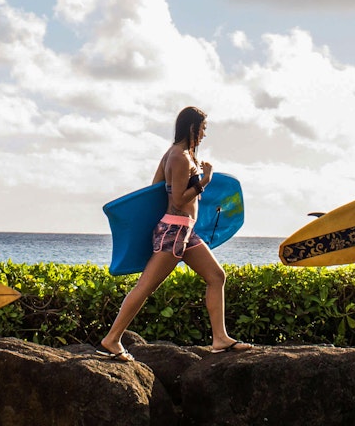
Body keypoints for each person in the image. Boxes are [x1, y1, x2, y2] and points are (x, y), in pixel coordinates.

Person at [96, 106, 254, 360]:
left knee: (216, 276)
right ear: (192, 128)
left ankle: (220, 338)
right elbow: (179, 201)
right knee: (145, 287)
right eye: (202, 129)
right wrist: (205, 181)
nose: (203, 135)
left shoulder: (177, 156)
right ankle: (112, 339)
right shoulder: (179, 157)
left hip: (186, 232)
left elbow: (154, 190)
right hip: (174, 231)